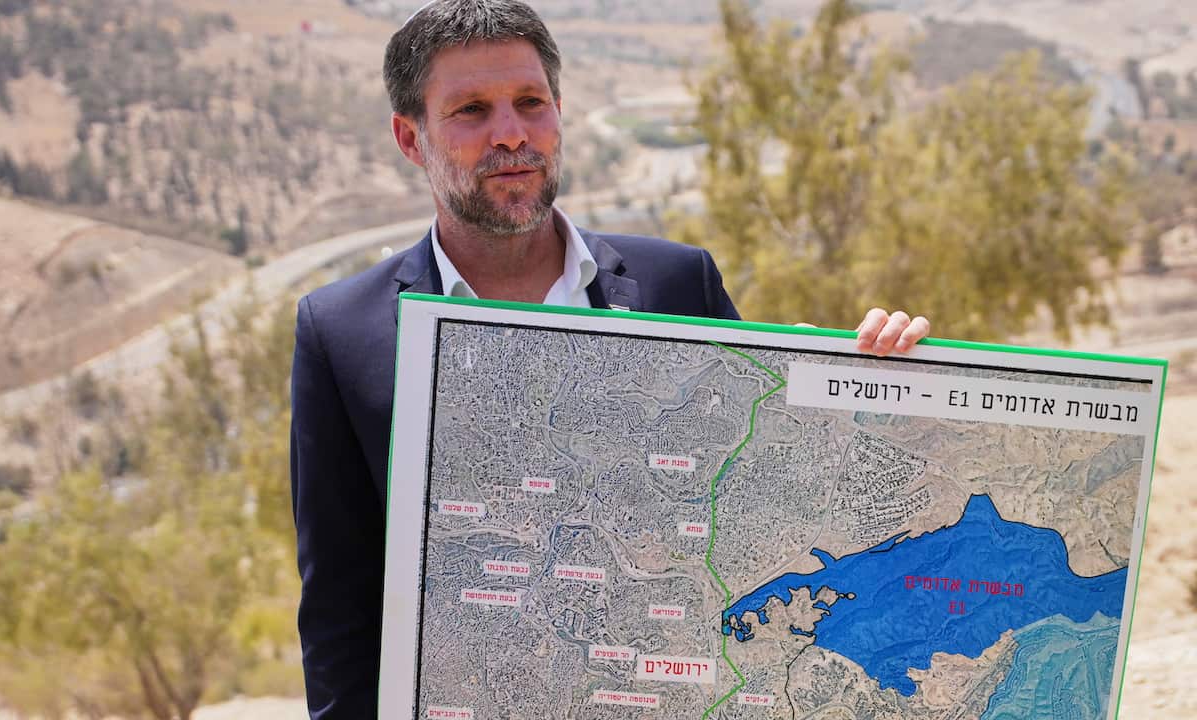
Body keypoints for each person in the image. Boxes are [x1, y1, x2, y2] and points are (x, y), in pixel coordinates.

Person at [289, 1, 930, 717]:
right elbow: (339, 611)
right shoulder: (342, 333)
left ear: (559, 113)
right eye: (471, 111)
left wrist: (875, 392)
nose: (511, 134)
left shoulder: (679, 285)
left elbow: (777, 505)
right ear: (411, 138)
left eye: (531, 103)